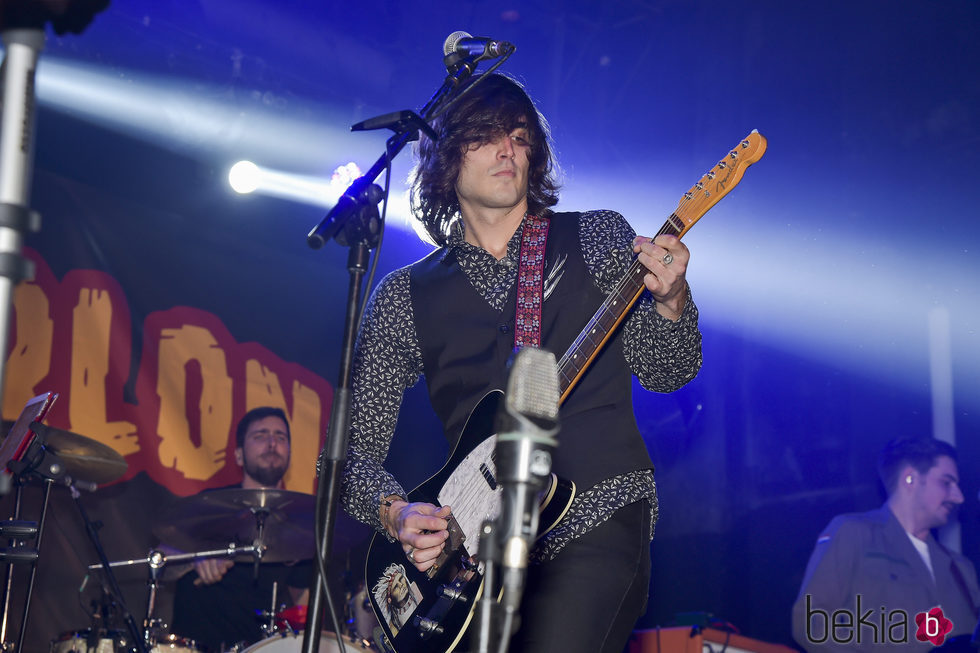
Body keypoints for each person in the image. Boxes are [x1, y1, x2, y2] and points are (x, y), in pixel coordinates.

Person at [340, 73, 702, 652]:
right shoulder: (405, 295)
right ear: (442, 158)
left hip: (595, 512)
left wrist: (671, 301)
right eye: (485, 136)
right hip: (475, 558)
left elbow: (668, 371)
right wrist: (395, 512)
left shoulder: (595, 236)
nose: (508, 149)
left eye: (519, 135)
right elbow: (349, 455)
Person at [792, 437, 980, 651]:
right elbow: (810, 622)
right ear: (910, 479)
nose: (959, 497)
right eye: (946, 483)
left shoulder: (961, 568)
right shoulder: (855, 534)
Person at [170, 406, 311, 651]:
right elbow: (160, 563)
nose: (272, 443)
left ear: (289, 451)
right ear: (238, 455)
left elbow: (303, 599)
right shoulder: (210, 506)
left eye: (281, 437)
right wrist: (196, 558)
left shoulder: (298, 524)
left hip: (260, 647)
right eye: (260, 436)